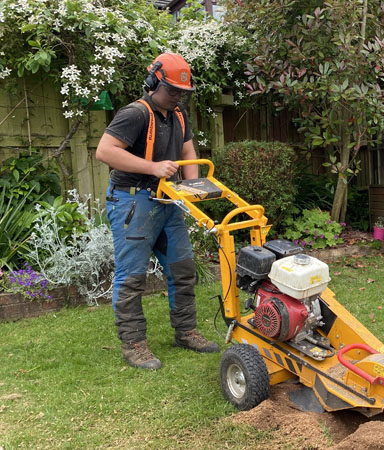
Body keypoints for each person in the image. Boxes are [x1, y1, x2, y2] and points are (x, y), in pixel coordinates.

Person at [96, 52, 219, 370]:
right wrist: (152, 167)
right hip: (132, 202)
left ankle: (186, 331)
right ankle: (133, 343)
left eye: (182, 92)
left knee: (183, 269)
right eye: (172, 90)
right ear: (153, 83)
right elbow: (105, 151)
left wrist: (193, 189)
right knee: (132, 276)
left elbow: (188, 149)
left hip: (168, 202)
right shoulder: (134, 114)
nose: (178, 96)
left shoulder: (177, 114)